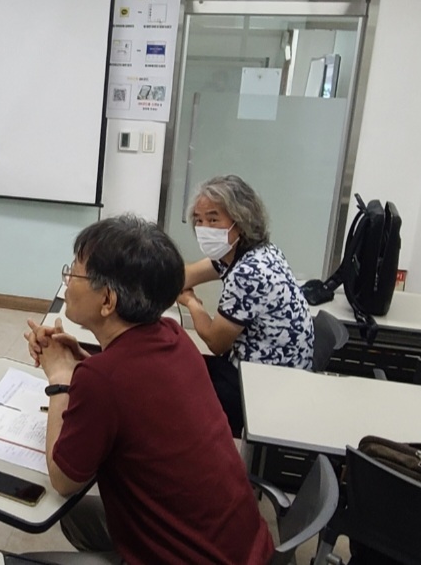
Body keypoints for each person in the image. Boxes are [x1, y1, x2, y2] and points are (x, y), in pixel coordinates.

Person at [23, 215, 274, 565]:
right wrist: (83, 363)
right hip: (245, 548)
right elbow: (133, 389)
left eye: (74, 274)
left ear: (107, 301)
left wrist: (61, 377)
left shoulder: (103, 379)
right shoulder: (174, 335)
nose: (66, 283)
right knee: (75, 516)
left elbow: (64, 480)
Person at [179, 174, 314, 434]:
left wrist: (192, 303)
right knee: (181, 366)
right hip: (274, 373)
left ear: (240, 222)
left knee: (175, 384)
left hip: (264, 387)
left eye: (213, 219)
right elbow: (184, 277)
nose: (204, 228)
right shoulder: (255, 251)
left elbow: (216, 342)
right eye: (198, 220)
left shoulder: (249, 271)